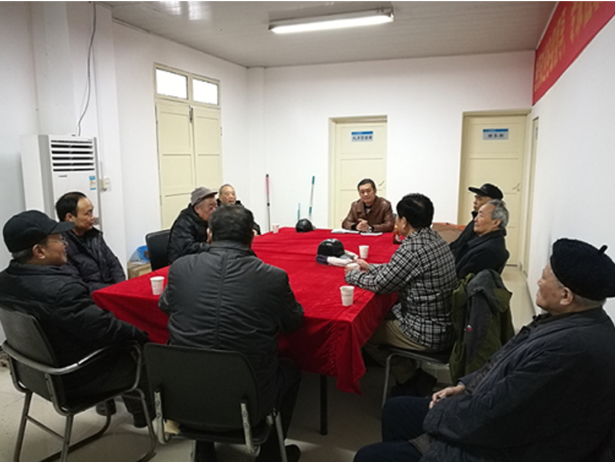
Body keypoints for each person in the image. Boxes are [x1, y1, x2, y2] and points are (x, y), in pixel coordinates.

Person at [354, 238, 615, 462]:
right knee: (396, 410)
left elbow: (496, 416)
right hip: (491, 414)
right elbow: (500, 362)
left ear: (566, 296)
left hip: (507, 448)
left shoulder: (569, 351)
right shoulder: (571, 321)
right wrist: (464, 386)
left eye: (544, 277)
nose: (537, 281)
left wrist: (444, 412)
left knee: (369, 456)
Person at [159, 205, 304, 462]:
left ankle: (204, 450)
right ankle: (271, 455)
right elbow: (293, 322)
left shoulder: (180, 268)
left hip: (183, 395)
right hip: (248, 400)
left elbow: (165, 305)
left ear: (209, 234)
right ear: (251, 236)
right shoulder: (273, 277)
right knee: (291, 369)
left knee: (199, 356)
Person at [0, 210, 151, 426]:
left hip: (33, 372)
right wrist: (143, 335)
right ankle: (149, 419)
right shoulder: (61, 290)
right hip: (73, 376)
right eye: (59, 240)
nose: (65, 245)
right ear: (39, 251)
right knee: (144, 349)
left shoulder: (4, 282)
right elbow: (106, 330)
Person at [345, 193, 457, 394]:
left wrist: (352, 276)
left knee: (365, 331)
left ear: (404, 221)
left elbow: (381, 284)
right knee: (380, 314)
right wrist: (370, 267)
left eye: (398, 218)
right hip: (443, 322)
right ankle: (407, 370)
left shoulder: (412, 248)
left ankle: (409, 378)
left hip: (426, 331)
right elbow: (397, 271)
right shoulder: (434, 238)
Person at [55, 191, 125, 293]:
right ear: (70, 217)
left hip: (110, 291)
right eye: (88, 213)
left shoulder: (94, 236)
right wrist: (111, 290)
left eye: (92, 212)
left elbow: (113, 263)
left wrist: (121, 286)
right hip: (91, 296)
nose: (93, 217)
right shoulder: (61, 246)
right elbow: (78, 283)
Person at [454, 199, 509, 278]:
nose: (475, 219)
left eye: (481, 215)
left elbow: (463, 279)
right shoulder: (483, 240)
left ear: (496, 222)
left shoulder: (488, 251)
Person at [449, 183, 503, 260]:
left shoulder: (485, 229)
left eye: (480, 199)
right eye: (476, 198)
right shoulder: (475, 222)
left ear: (492, 203)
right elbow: (458, 244)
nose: (474, 202)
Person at [167, 186, 217, 263]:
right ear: (197, 209)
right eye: (210, 208)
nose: (215, 211)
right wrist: (213, 246)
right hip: (182, 263)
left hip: (202, 258)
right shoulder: (183, 223)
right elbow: (188, 248)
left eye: (216, 206)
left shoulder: (209, 219)